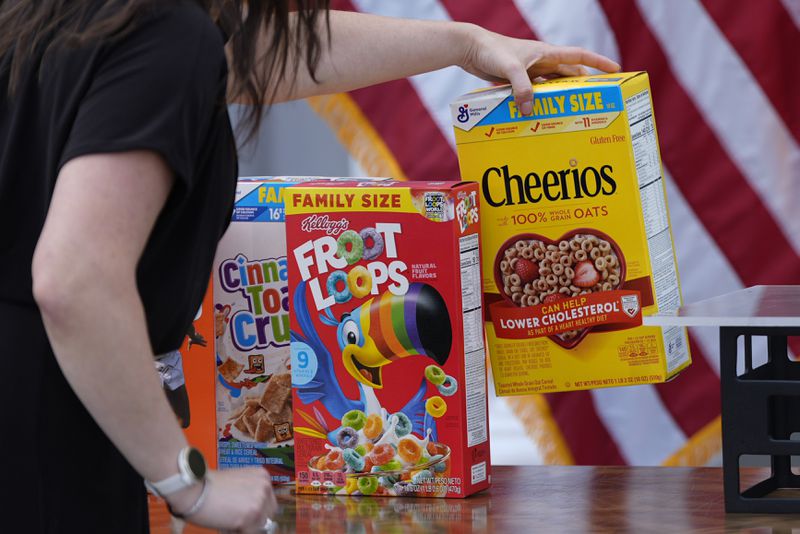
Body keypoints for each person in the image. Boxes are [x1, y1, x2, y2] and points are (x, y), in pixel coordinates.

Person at [0, 1, 620, 532]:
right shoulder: (166, 37)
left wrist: (464, 42)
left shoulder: (71, 18)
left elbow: (252, 51)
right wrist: (187, 481)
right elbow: (75, 276)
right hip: (51, 443)